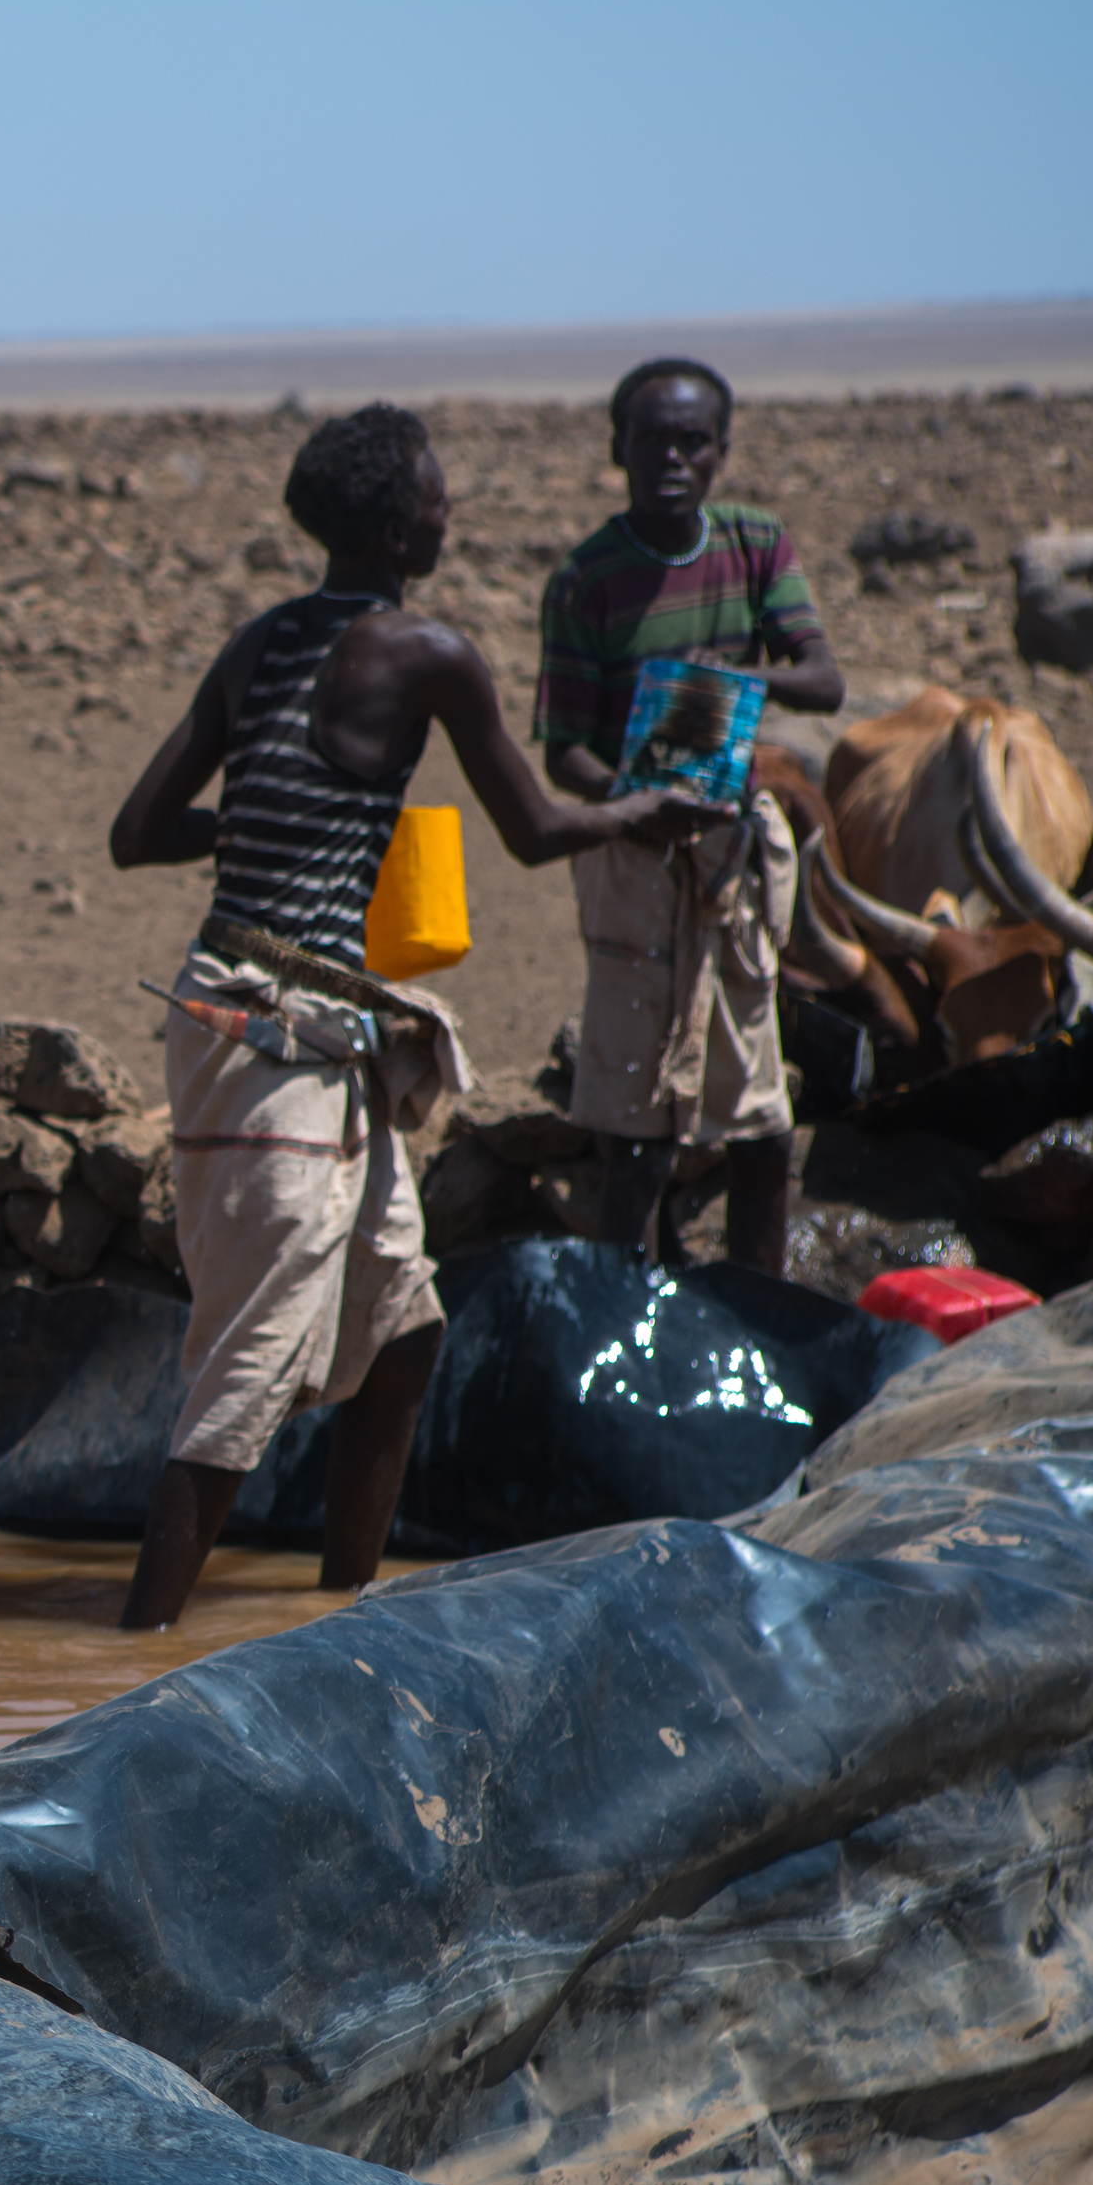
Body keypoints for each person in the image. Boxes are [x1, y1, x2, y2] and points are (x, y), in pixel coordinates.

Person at [108, 404, 704, 1631]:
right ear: (392, 520)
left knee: (405, 1326)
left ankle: (348, 1612)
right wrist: (640, 812)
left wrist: (277, 821)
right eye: (434, 497)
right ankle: (127, 1661)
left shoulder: (258, 644)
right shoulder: (426, 652)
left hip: (287, 1022)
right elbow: (537, 832)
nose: (448, 512)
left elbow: (138, 835)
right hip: (276, 1041)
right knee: (247, 1357)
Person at [534, 358, 847, 1273]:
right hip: (635, 854)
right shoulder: (586, 579)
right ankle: (626, 1326)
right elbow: (564, 751)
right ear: (617, 450)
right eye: (652, 441)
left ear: (721, 450)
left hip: (729, 855)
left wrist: (734, 685)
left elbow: (823, 678)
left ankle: (757, 1316)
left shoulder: (754, 545)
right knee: (638, 1132)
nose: (673, 458)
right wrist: (637, 804)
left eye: (692, 441)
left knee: (757, 1123)